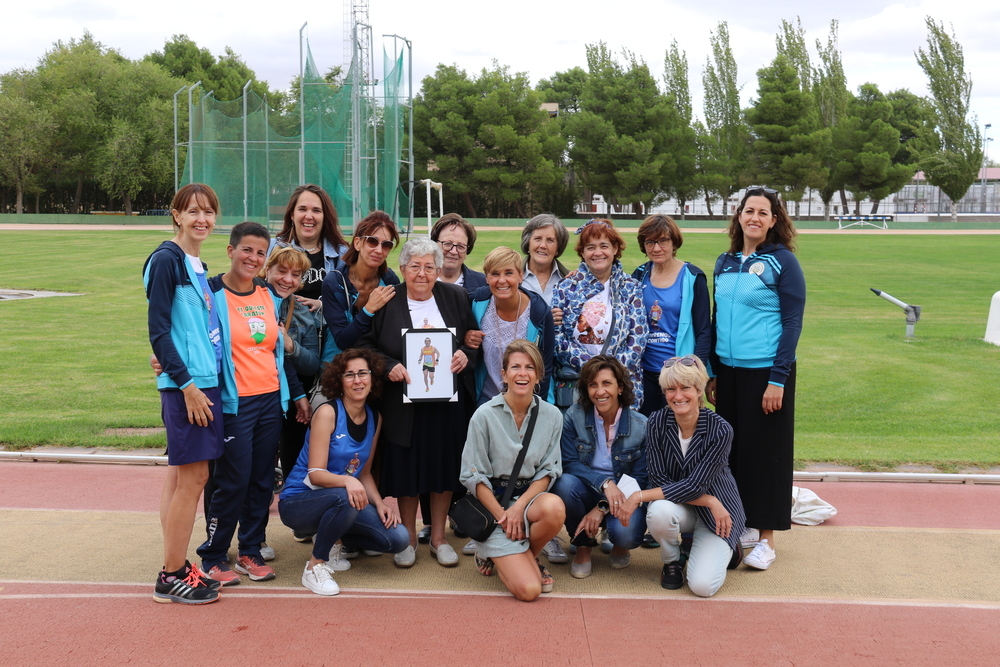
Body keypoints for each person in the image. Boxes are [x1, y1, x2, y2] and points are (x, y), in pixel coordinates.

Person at [197, 222, 309, 586]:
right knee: (233, 480)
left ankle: (249, 551)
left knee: (262, 480)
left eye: (260, 252)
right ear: (230, 250)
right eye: (247, 249)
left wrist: (292, 396)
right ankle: (213, 555)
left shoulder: (265, 292)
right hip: (233, 403)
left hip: (269, 402)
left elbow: (276, 348)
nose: (253, 257)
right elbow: (188, 334)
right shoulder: (210, 293)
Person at [358, 238, 479, 568]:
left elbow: (472, 339)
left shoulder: (455, 296)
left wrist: (463, 355)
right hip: (403, 404)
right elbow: (365, 345)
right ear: (403, 269)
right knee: (408, 470)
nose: (422, 273)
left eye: (429, 267)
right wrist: (387, 365)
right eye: (415, 266)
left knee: (443, 468)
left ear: (439, 271)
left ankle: (438, 537)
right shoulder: (387, 301)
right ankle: (409, 538)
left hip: (448, 403)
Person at [706, 186, 806, 571]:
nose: (755, 218)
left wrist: (778, 379)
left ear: (773, 221)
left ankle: (767, 537)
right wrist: (713, 371)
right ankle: (745, 521)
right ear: (739, 216)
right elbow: (717, 319)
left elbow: (792, 323)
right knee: (735, 451)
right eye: (749, 211)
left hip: (766, 371)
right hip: (728, 373)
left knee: (768, 453)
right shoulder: (725, 261)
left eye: (763, 213)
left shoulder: (783, 262)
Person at [143, 183, 224, 604]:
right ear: (176, 214)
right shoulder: (166, 260)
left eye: (208, 212)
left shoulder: (196, 263)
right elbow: (158, 330)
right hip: (186, 388)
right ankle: (171, 574)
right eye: (192, 211)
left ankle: (175, 564)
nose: (201, 219)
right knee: (194, 478)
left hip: (201, 383)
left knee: (180, 477)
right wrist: (187, 385)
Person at [278, 349, 409, 596]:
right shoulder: (328, 412)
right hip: (299, 502)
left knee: (398, 539)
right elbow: (316, 474)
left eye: (363, 373)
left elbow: (365, 472)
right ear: (339, 381)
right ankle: (315, 565)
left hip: (342, 499)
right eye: (349, 375)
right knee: (344, 497)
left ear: (372, 378)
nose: (357, 380)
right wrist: (349, 481)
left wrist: (380, 504)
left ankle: (336, 538)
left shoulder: (375, 418)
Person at [619, 355, 745, 597]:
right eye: (670, 389)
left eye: (685, 388)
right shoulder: (656, 422)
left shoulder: (720, 429)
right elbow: (658, 479)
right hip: (694, 505)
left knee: (702, 587)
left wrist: (638, 496)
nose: (678, 396)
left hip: (718, 514)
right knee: (658, 512)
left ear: (699, 390)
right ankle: (672, 561)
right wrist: (709, 500)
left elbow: (697, 484)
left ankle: (729, 547)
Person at [460, 340, 566, 601]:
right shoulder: (483, 415)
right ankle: (495, 551)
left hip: (527, 501)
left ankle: (525, 556)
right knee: (530, 591)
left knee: (555, 508)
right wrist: (505, 517)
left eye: (530, 367)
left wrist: (518, 509)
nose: (522, 373)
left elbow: (548, 470)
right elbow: (474, 476)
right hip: (492, 506)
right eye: (515, 367)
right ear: (504, 374)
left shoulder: (552, 415)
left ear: (538, 375)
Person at [551, 355, 648, 579]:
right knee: (564, 484)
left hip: (624, 494)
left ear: (620, 388)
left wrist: (602, 506)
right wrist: (604, 483)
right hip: (586, 488)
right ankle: (583, 545)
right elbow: (569, 463)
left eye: (607, 383)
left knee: (626, 533)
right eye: (593, 385)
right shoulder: (574, 417)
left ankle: (618, 543)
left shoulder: (642, 425)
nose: (600, 391)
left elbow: (641, 478)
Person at [551, 218, 647, 408]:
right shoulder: (565, 287)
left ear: (615, 249)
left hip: (621, 386)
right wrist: (592, 370)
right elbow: (557, 338)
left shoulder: (631, 287)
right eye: (590, 247)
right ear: (583, 252)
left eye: (604, 246)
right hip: (578, 386)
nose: (597, 253)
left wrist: (611, 373)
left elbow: (638, 338)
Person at [631, 215, 711, 417]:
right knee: (646, 435)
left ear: (674, 242)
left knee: (678, 435)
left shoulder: (693, 277)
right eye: (650, 242)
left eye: (663, 241)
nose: (656, 248)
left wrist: (695, 374)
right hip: (643, 374)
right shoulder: (639, 275)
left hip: (679, 376)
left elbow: (703, 331)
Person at [467, 246, 555, 405]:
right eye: (495, 274)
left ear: (520, 276)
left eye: (508, 273)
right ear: (486, 278)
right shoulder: (476, 303)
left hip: (527, 400)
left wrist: (536, 409)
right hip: (487, 399)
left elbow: (545, 367)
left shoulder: (539, 312)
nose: (501, 280)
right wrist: (466, 336)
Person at [264, 247, 323, 481]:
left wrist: (291, 346)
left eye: (295, 274)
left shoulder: (301, 313)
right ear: (267, 269)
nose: (287, 279)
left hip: (287, 400)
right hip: (253, 394)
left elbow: (312, 365)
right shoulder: (248, 299)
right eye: (282, 271)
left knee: (292, 455)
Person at [322, 211, 401, 363]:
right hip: (338, 367)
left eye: (386, 244)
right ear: (358, 243)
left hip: (376, 365)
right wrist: (369, 309)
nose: (379, 250)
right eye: (372, 241)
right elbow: (342, 341)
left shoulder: (390, 280)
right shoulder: (334, 282)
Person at [268, 184, 348, 310]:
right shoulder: (272, 248)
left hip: (324, 327)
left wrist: (322, 304)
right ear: (292, 215)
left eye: (316, 210)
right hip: (280, 325)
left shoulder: (342, 254)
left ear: (325, 217)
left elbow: (350, 299)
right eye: (302, 209)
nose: (309, 216)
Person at [519, 214, 570, 306]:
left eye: (550, 240)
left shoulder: (570, 280)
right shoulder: (512, 278)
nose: (543, 245)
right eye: (537, 239)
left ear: (558, 248)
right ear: (528, 243)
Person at [430, 213, 487, 293]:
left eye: (461, 246)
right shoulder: (418, 282)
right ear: (435, 244)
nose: (453, 251)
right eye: (447, 244)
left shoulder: (484, 284)